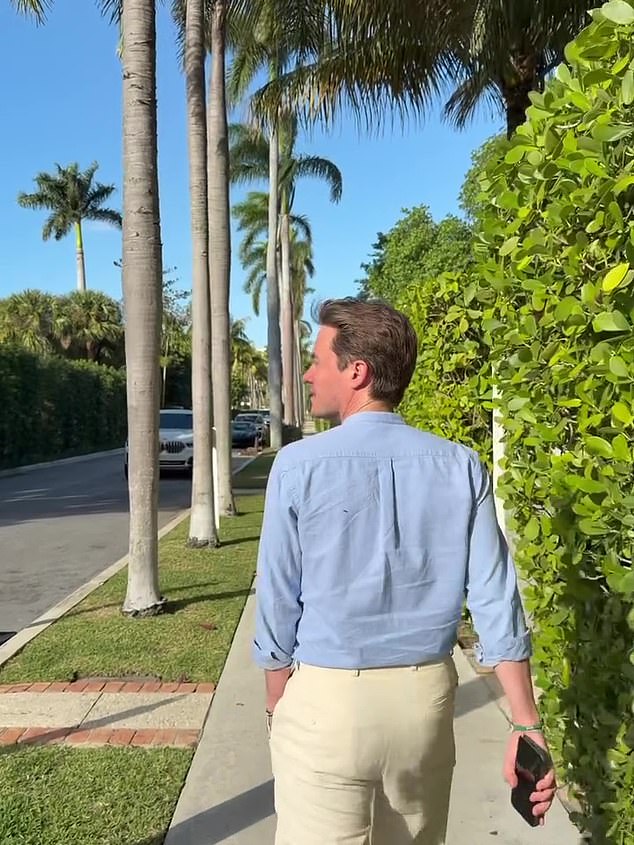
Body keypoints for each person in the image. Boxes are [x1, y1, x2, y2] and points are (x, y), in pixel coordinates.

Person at [253, 297, 556, 845]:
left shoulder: (297, 466)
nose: (309, 374)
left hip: (325, 702)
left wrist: (278, 703)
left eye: (317, 361)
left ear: (357, 371)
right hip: (425, 706)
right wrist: (525, 721)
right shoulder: (461, 465)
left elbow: (277, 600)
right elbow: (496, 600)